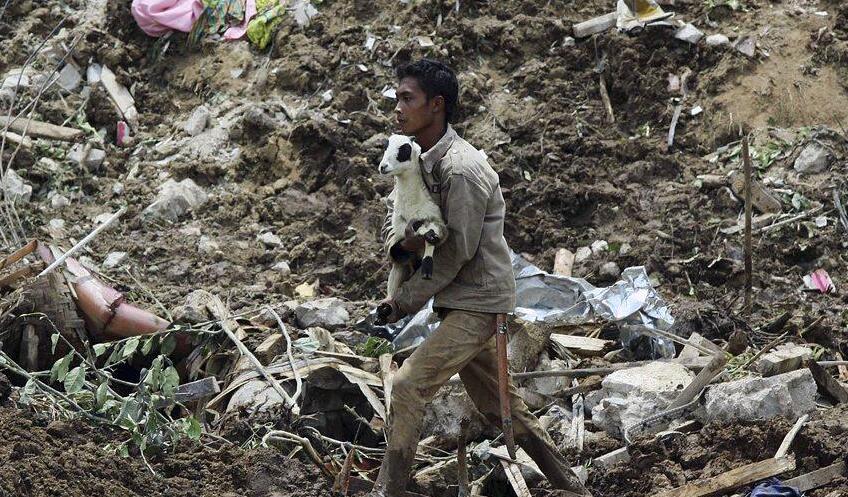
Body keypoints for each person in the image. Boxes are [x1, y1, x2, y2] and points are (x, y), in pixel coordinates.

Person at [372, 59, 592, 497]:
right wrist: (403, 247)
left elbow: (456, 252)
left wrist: (402, 302)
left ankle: (386, 491)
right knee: (500, 406)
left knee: (408, 385)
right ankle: (572, 487)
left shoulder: (461, 169)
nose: (398, 108)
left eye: (407, 99)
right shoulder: (416, 160)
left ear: (436, 105)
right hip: (459, 299)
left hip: (479, 300)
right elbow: (401, 220)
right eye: (396, 98)